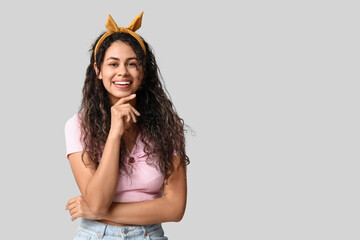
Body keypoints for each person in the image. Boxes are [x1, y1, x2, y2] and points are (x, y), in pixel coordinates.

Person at [64, 12, 189, 240]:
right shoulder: (78, 125)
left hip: (150, 235)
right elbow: (97, 200)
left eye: (132, 64)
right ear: (98, 70)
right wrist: (114, 133)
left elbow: (175, 208)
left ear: (143, 72)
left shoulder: (168, 127)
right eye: (113, 64)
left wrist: (98, 212)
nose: (123, 71)